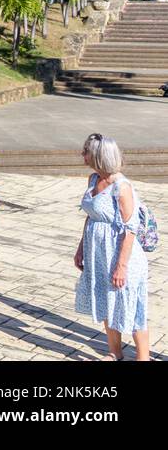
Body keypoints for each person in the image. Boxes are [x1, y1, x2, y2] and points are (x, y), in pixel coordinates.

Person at [74, 133, 150, 361]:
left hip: (121, 254)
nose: (82, 155)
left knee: (132, 305)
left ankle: (143, 357)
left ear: (98, 156)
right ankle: (115, 352)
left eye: (86, 151)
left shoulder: (121, 187)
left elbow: (130, 229)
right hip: (98, 252)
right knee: (106, 299)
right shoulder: (93, 179)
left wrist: (121, 266)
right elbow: (90, 216)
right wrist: (81, 248)